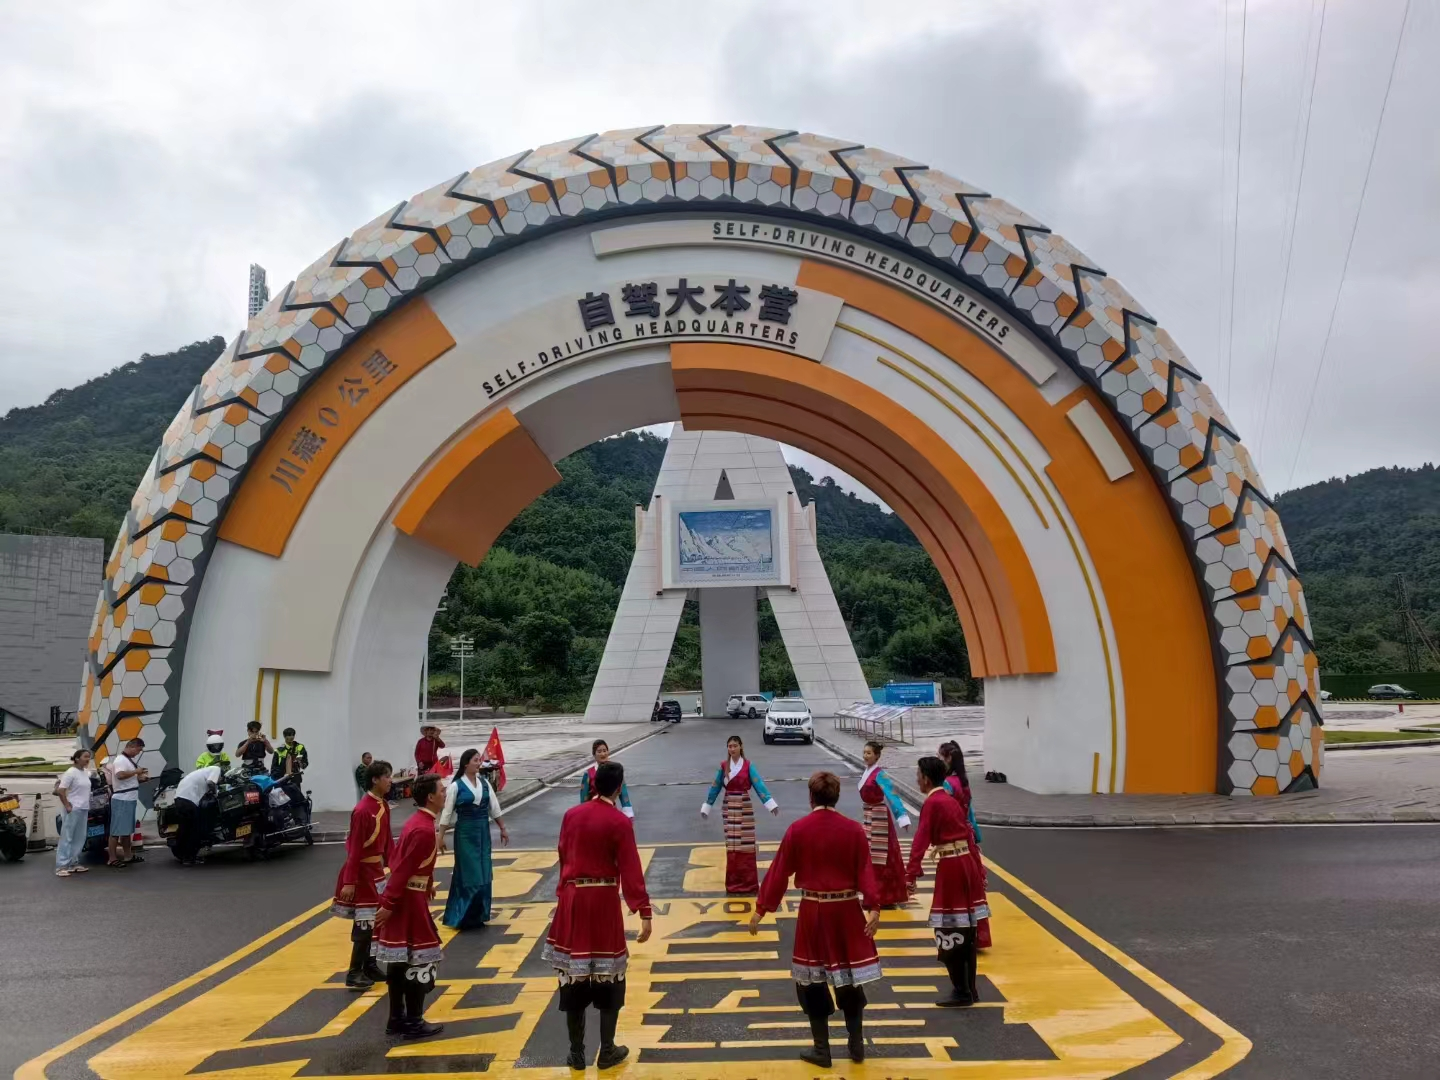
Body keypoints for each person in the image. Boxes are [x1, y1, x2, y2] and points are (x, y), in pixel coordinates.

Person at [748, 771, 882, 1067]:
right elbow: (865, 870)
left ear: (811, 797)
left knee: (811, 982)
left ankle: (822, 1050)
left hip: (814, 910)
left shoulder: (798, 830)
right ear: (837, 796)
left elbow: (779, 872)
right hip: (847, 909)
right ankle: (856, 1043)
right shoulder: (854, 830)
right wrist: (873, 907)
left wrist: (761, 909)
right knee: (848, 978)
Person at [543, 760, 653, 1071]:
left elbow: (563, 853)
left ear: (595, 784)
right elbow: (631, 868)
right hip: (603, 900)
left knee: (573, 977)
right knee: (610, 977)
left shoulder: (571, 815)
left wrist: (564, 893)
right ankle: (607, 1050)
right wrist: (644, 910)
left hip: (574, 900)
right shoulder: (619, 822)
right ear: (619, 788)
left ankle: (577, 1053)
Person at [907, 756, 990, 1007]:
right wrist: (978, 871)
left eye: (918, 775)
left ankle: (961, 991)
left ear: (926, 778)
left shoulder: (933, 803)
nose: (916, 779)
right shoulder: (950, 800)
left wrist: (910, 875)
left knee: (948, 928)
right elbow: (968, 835)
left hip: (952, 867)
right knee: (967, 929)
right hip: (966, 864)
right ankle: (969, 989)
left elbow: (920, 840)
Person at [374, 773, 446, 1040]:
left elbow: (405, 862)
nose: (445, 793)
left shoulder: (418, 822)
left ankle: (396, 1018)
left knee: (400, 960)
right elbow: (403, 869)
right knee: (420, 960)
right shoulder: (423, 829)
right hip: (408, 901)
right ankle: (413, 1021)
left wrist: (427, 883)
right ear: (430, 796)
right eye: (441, 790)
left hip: (409, 896)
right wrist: (389, 903)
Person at [334, 759, 394, 990]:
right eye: (386, 776)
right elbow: (355, 849)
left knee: (376, 921)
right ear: (375, 780)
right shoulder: (362, 810)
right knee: (364, 924)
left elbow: (388, 843)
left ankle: (369, 965)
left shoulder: (383, 805)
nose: (390, 780)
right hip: (361, 873)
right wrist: (349, 882)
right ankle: (354, 972)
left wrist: (396, 868)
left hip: (376, 872)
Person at [438, 749, 509, 929]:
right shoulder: (456, 786)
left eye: (479, 760)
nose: (479, 763)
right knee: (470, 873)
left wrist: (502, 828)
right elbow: (447, 813)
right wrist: (440, 836)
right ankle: (462, 916)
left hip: (483, 833)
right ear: (466, 763)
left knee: (484, 872)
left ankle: (478, 915)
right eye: (476, 760)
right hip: (465, 834)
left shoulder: (484, 783)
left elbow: (494, 808)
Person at [699, 735, 779, 894]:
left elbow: (759, 785)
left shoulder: (748, 766)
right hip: (729, 806)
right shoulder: (724, 766)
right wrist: (707, 806)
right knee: (732, 845)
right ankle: (733, 883)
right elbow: (715, 787)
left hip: (744, 806)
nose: (732, 749)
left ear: (741, 746)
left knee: (746, 844)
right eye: (729, 746)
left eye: (735, 745)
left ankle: (749, 883)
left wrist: (770, 804)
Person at [938, 740, 991, 949]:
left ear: (948, 759)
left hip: (954, 839)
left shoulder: (947, 784)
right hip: (968, 838)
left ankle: (959, 935)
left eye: (941, 757)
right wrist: (976, 836)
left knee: (956, 889)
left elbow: (945, 815)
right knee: (973, 887)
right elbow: (970, 813)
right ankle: (978, 935)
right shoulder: (964, 782)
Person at [856, 740, 912, 907]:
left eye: (869, 753)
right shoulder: (867, 772)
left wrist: (902, 816)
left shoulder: (880, 774)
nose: (865, 756)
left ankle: (885, 896)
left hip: (879, 816)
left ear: (877, 756)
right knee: (869, 854)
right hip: (869, 814)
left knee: (881, 856)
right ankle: (873, 893)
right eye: (864, 752)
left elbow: (891, 795)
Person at [106, 737, 148, 867]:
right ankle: (112, 858)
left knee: (126, 831)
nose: (138, 753)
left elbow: (126, 779)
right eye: (138, 750)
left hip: (129, 797)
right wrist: (136, 771)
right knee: (116, 831)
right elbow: (120, 775)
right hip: (122, 799)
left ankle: (128, 856)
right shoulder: (121, 760)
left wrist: (140, 779)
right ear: (132, 747)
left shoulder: (127, 760)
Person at [54, 748, 93, 877]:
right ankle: (61, 866)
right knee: (67, 837)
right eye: (85, 757)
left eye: (89, 757)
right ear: (77, 758)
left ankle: (73, 863)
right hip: (73, 808)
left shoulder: (85, 772)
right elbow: (61, 790)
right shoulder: (71, 772)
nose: (88, 759)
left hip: (83, 808)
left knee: (79, 837)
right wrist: (67, 805)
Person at [172, 764, 221, 866]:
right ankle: (189, 858)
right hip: (189, 801)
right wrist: (215, 793)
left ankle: (180, 854)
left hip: (179, 799)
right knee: (195, 830)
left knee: (184, 829)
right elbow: (211, 782)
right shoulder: (216, 769)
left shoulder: (200, 772)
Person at [579, 740, 634, 818]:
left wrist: (628, 814)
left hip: (611, 812)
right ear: (594, 754)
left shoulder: (616, 771)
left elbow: (624, 795)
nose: (603, 754)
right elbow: (583, 799)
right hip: (594, 813)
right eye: (599, 751)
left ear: (608, 752)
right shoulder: (588, 774)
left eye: (605, 751)